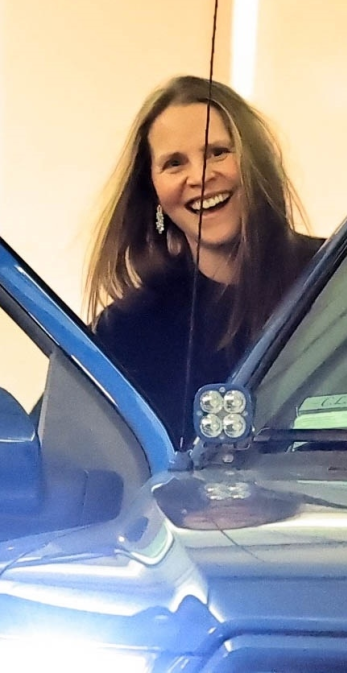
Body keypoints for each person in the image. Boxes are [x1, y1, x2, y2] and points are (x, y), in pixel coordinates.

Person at [85, 75, 323, 446]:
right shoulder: (126, 330)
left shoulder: (343, 276)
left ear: (257, 162)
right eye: (174, 163)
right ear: (154, 194)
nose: (200, 177)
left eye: (218, 152)